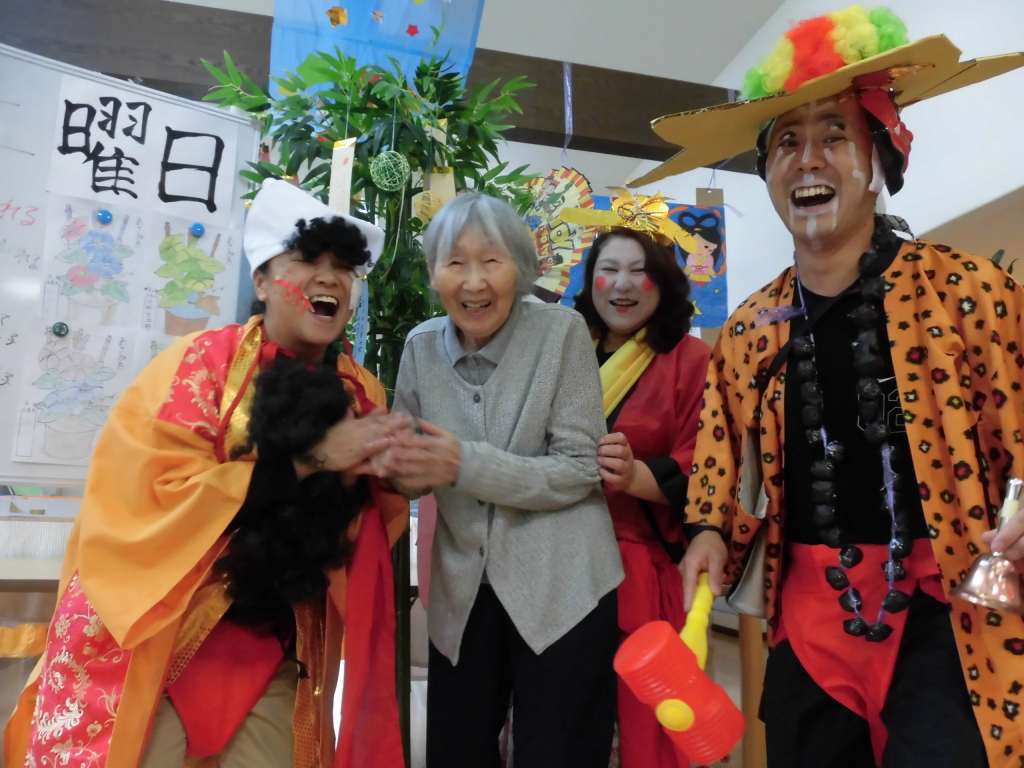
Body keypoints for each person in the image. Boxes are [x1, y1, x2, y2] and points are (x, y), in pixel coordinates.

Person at [631, 6, 1024, 767]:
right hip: (811, 616)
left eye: (835, 136)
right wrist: (707, 532)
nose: (807, 159)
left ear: (881, 161)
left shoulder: (971, 292)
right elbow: (718, 459)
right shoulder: (750, 328)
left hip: (949, 606)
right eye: (786, 142)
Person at [4, 179, 409, 768]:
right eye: (306, 260)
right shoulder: (199, 365)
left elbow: (361, 527)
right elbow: (157, 497)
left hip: (278, 647)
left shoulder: (360, 391)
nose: (329, 278)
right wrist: (312, 459)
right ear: (263, 282)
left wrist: (399, 478)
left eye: (344, 267)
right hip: (158, 634)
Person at [378, 192, 623, 768]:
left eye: (491, 260)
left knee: (557, 754)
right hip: (463, 595)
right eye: (454, 262)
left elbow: (580, 468)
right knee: (455, 752)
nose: (473, 282)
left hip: (564, 589)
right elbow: (412, 472)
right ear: (433, 273)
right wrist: (392, 464)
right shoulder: (420, 348)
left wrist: (462, 463)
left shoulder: (561, 334)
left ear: (522, 266)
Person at [572, 225, 710, 767]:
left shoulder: (689, 359)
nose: (622, 285)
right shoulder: (566, 352)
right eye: (609, 270)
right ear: (591, 281)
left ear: (664, 283)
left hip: (640, 570)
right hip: (560, 568)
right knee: (563, 724)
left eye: (640, 271)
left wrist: (633, 477)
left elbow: (705, 466)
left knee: (645, 728)